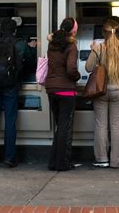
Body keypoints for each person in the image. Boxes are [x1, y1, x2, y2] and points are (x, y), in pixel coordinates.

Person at [0, 18, 36, 168]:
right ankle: (9, 158)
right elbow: (32, 64)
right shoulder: (21, 44)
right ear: (15, 31)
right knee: (10, 121)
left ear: (1, 30)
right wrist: (31, 49)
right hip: (12, 86)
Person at [85, 19, 119, 168]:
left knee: (101, 125)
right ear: (118, 32)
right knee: (117, 126)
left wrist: (93, 50)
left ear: (103, 33)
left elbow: (88, 67)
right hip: (118, 90)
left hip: (101, 90)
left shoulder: (98, 48)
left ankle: (102, 159)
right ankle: (116, 161)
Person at [45, 17, 81, 171]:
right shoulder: (71, 46)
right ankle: (63, 163)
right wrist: (78, 76)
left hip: (51, 89)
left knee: (60, 127)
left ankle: (53, 162)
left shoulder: (52, 43)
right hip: (66, 90)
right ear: (73, 30)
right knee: (65, 128)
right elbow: (71, 69)